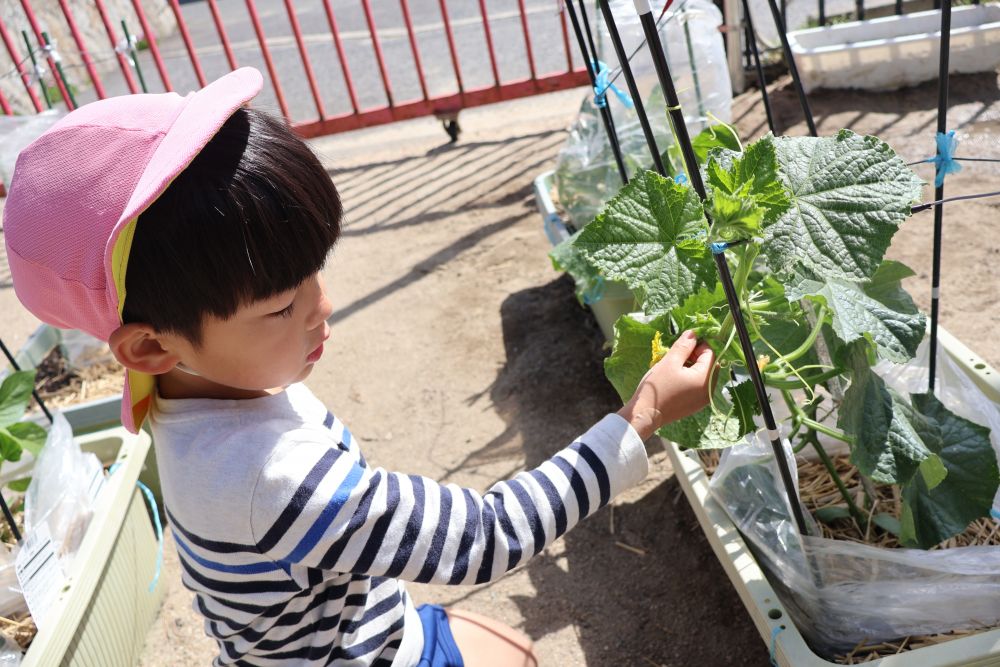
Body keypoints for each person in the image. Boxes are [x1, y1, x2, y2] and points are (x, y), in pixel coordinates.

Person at [3, 68, 715, 667]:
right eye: (283, 306)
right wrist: (640, 417)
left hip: (329, 630)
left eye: (315, 273)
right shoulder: (270, 475)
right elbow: (483, 537)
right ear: (152, 347)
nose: (324, 308)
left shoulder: (189, 390)